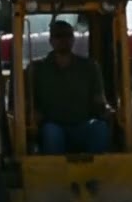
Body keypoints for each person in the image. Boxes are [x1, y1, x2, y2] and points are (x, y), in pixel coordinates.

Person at [26, 19, 113, 155]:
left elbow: (99, 99)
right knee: (52, 133)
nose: (63, 40)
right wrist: (33, 114)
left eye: (68, 35)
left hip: (82, 124)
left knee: (99, 128)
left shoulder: (89, 67)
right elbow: (26, 100)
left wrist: (105, 109)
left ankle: (96, 170)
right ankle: (54, 172)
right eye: (58, 36)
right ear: (51, 40)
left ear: (73, 39)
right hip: (52, 125)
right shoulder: (37, 69)